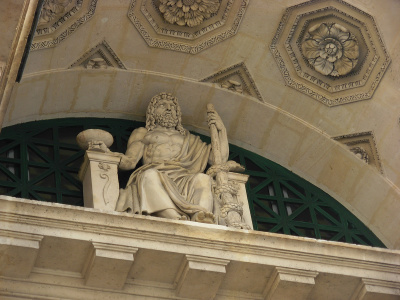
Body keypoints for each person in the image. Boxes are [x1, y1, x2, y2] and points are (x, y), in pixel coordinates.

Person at [113, 92, 229, 224]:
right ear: (152, 112)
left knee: (203, 178)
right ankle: (174, 218)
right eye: (162, 105)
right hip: (157, 174)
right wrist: (110, 156)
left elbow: (218, 159)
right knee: (149, 175)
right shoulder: (143, 133)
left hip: (184, 177)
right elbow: (130, 161)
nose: (169, 109)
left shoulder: (188, 138)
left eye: (172, 107)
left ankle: (200, 215)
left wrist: (222, 131)